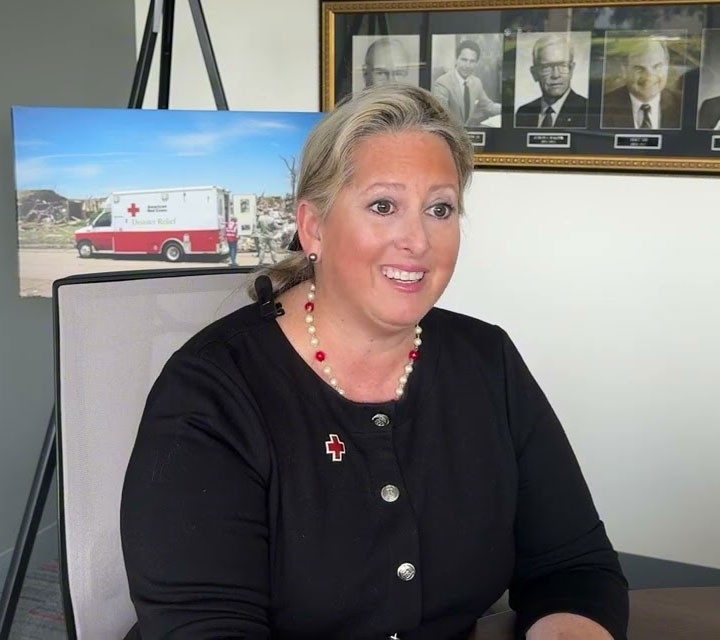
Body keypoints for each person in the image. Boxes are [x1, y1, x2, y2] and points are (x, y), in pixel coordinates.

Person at [121, 85, 629, 639]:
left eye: (440, 209)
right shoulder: (210, 391)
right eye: (383, 206)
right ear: (314, 226)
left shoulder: (486, 361)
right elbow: (205, 627)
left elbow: (572, 566)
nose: (416, 240)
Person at [602, 36, 681, 130]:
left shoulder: (683, 105)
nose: (649, 77)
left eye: (657, 67)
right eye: (639, 69)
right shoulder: (603, 107)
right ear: (624, 71)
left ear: (667, 67)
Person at [515, 34, 588, 129]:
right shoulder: (523, 112)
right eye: (546, 67)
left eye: (562, 65)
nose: (556, 75)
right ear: (534, 73)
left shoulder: (586, 111)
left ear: (571, 70)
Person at [432, 39, 501, 126]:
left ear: (476, 63)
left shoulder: (476, 82)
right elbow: (440, 116)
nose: (467, 65)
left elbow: (488, 106)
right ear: (456, 59)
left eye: (472, 61)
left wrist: (509, 110)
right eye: (464, 60)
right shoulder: (442, 83)